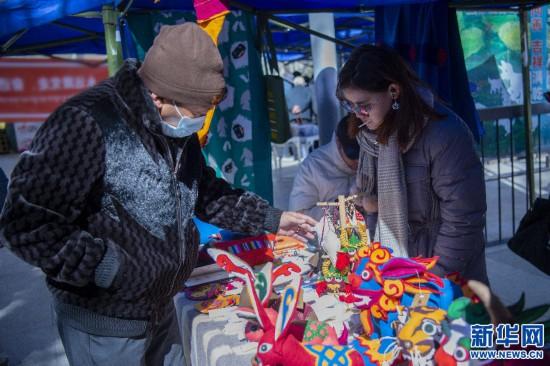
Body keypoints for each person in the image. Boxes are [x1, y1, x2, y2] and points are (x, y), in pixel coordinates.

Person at [0, 23, 316, 366]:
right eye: (195, 114)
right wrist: (106, 267)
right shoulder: (86, 122)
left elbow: (205, 191)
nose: (198, 122)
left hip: (162, 306)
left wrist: (273, 218)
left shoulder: (173, 125)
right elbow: (26, 223)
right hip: (107, 323)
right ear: (158, 96)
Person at [336, 44, 488, 284]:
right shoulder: (370, 135)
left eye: (363, 104)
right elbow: (363, 196)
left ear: (394, 91)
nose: (357, 113)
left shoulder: (445, 135)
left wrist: (433, 279)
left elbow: (463, 220)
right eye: (350, 105)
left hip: (439, 277)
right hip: (388, 272)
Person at [289, 114, 359, 221]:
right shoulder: (312, 166)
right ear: (338, 143)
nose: (358, 162)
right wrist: (342, 209)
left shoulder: (378, 162)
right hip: (327, 235)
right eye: (353, 156)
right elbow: (298, 215)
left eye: (364, 156)